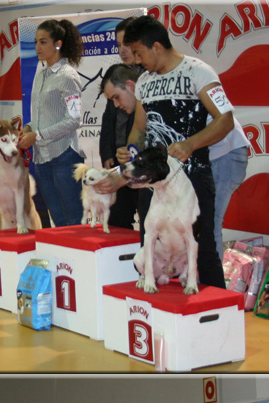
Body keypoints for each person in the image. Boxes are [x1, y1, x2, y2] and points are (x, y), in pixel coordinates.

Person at [95, 15, 229, 288]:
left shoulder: (199, 72)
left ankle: (218, 314)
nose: (136, 59)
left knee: (202, 249)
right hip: (153, 184)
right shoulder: (144, 81)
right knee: (153, 251)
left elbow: (225, 119)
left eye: (138, 53)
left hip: (192, 179)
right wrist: (130, 153)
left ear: (156, 46)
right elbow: (139, 129)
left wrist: (191, 144)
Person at [18, 19, 85, 228]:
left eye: (43, 42)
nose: (38, 47)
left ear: (58, 44)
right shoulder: (41, 75)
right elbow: (40, 116)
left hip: (64, 155)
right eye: (36, 42)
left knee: (73, 219)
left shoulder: (68, 75)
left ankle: (77, 259)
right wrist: (29, 127)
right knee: (57, 218)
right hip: (42, 158)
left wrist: (36, 136)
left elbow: (74, 120)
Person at [99, 63, 142, 229]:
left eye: (117, 97)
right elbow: (108, 126)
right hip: (125, 166)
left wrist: (134, 155)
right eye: (112, 100)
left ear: (131, 86)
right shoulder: (135, 104)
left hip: (149, 176)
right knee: (117, 221)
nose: (116, 104)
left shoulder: (152, 105)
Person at [209, 115, 250, 261]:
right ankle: (211, 278)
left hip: (224, 154)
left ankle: (212, 280)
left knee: (210, 223)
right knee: (211, 223)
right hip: (229, 154)